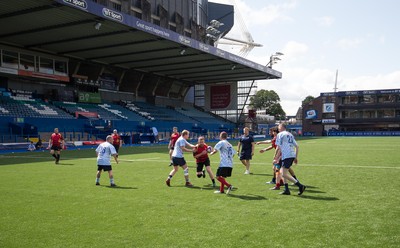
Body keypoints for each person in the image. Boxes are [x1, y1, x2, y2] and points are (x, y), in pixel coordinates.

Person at [274, 123, 306, 195]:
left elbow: (279, 148)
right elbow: (297, 146)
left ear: (283, 127)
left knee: (283, 173)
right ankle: (286, 189)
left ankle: (300, 186)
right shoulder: (290, 134)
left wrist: (276, 158)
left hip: (287, 155)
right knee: (284, 172)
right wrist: (295, 157)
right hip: (290, 155)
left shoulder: (280, 134)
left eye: (279, 126)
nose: (278, 128)